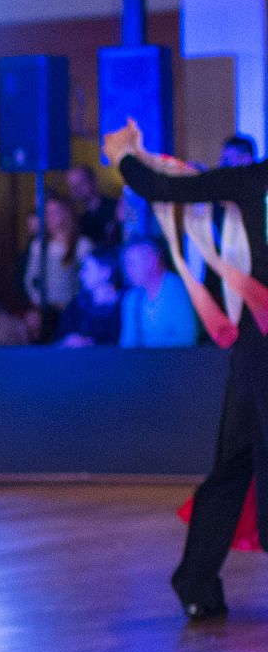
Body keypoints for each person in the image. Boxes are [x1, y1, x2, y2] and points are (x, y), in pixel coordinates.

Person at [106, 119, 268, 618]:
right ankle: (195, 581)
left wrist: (127, 157)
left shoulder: (255, 180)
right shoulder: (255, 179)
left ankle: (195, 581)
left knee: (236, 461)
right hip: (259, 346)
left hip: (255, 346)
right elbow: (168, 186)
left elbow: (167, 186)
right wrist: (128, 157)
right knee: (241, 459)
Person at [118, 237, 197, 348]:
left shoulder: (176, 289)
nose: (127, 270)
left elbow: (187, 338)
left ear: (152, 261)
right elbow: (128, 344)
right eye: (126, 265)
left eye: (131, 263)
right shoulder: (131, 298)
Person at [21, 194, 92, 313]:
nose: (50, 216)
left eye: (55, 212)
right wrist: (39, 303)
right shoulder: (38, 246)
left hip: (75, 311)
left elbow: (89, 282)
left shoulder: (82, 245)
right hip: (46, 311)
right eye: (46, 213)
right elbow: (30, 279)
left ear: (66, 213)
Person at [58, 247, 122, 347]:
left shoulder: (126, 304)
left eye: (87, 269)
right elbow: (58, 340)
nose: (81, 275)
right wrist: (69, 340)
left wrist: (91, 344)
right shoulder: (77, 305)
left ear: (106, 272)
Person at [67, 164, 120, 248]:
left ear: (93, 181)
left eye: (81, 183)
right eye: (72, 186)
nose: (76, 189)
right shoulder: (79, 220)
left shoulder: (116, 207)